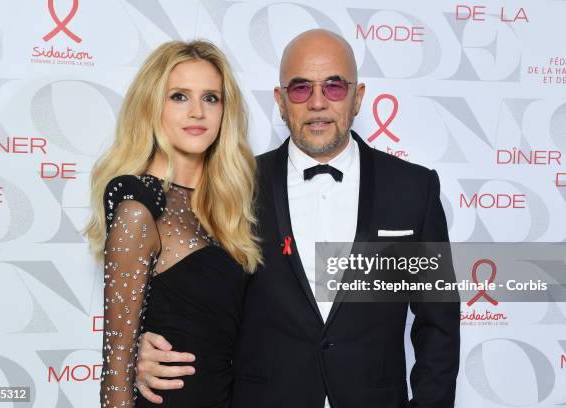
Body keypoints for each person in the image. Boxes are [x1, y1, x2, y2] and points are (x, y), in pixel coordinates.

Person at [136, 29, 460, 408]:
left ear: (358, 98)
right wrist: (141, 348)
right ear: (280, 100)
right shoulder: (232, 187)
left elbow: (439, 322)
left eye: (335, 87)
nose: (318, 103)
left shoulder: (413, 189)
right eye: (301, 88)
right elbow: (200, 300)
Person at [84, 39, 262, 408]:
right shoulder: (138, 204)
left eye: (211, 98)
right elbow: (116, 371)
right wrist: (134, 354)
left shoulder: (232, 205)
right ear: (152, 106)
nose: (197, 111)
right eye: (179, 96)